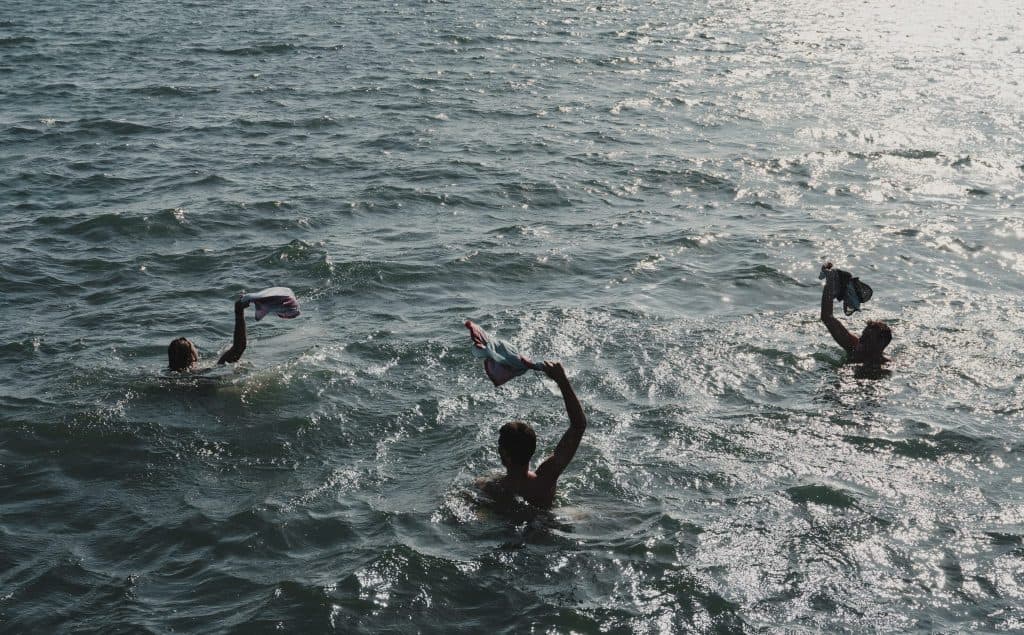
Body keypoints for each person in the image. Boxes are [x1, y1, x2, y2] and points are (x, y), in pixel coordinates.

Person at [478, 361, 587, 508]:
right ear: (532, 449)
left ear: (504, 454)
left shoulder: (489, 488)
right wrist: (562, 380)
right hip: (544, 525)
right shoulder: (545, 480)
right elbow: (578, 425)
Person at [820, 263, 891, 366]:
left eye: (867, 338)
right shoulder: (853, 347)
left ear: (880, 345)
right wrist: (830, 282)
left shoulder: (885, 367)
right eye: (863, 335)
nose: (861, 339)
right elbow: (827, 317)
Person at [167, 298, 249, 372]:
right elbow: (239, 346)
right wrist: (239, 311)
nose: (197, 349)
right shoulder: (207, 372)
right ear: (192, 357)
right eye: (194, 347)